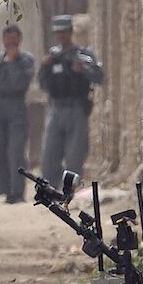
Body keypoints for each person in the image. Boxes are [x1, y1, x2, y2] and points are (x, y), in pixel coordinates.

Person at [37, 14, 104, 186]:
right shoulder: (52, 56)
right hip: (56, 109)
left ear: (71, 32)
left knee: (74, 157)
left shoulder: (83, 55)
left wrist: (83, 70)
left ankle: (70, 193)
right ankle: (51, 191)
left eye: (65, 31)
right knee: (49, 155)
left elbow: (99, 77)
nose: (62, 35)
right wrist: (45, 66)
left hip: (77, 110)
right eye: (58, 32)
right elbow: (42, 83)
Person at [0, 24, 34, 204]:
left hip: (16, 106)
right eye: (8, 38)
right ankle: (4, 189)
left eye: (14, 39)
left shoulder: (26, 60)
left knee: (16, 151)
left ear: (20, 40)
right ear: (3, 40)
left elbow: (20, 84)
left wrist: (11, 63)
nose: (11, 42)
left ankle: (17, 191)